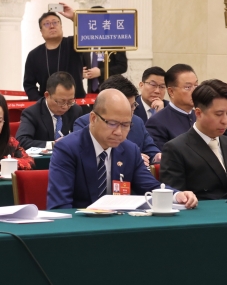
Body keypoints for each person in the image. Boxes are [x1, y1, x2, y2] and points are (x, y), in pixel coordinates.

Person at [47, 89, 198, 210]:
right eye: (112, 123)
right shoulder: (67, 149)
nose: (119, 132)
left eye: (126, 125)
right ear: (93, 119)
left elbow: (150, 186)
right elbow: (60, 206)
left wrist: (177, 196)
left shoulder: (130, 150)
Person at [160, 79, 227, 200]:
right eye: (218, 114)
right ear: (198, 113)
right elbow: (175, 197)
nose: (225, 121)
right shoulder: (176, 149)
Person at [74, 74, 160, 165]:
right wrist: (133, 158)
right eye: (125, 107)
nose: (130, 112)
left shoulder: (137, 122)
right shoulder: (84, 123)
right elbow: (86, 154)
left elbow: (150, 149)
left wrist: (157, 156)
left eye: (133, 106)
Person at [23, 5, 87, 100]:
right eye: (47, 24)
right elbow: (29, 84)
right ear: (41, 31)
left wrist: (74, 17)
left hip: (76, 103)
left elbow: (89, 34)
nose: (52, 26)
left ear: (61, 26)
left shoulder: (73, 43)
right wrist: (41, 103)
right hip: (48, 105)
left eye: (55, 22)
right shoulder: (34, 55)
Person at [16, 71, 83, 150]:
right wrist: (52, 145)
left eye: (70, 101)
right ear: (47, 95)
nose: (65, 107)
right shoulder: (32, 113)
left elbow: (83, 139)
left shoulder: (75, 111)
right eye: (61, 102)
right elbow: (21, 141)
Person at [146, 63, 198, 151]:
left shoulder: (200, 116)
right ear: (171, 91)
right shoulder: (157, 122)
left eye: (196, 86)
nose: (195, 91)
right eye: (188, 87)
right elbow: (163, 155)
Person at [83, 6, 128, 83]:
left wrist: (101, 72)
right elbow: (83, 65)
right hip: (91, 87)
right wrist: (82, 73)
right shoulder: (85, 41)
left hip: (110, 85)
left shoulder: (115, 39)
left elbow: (122, 66)